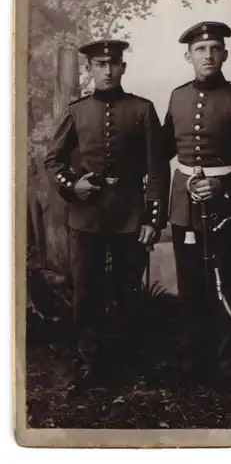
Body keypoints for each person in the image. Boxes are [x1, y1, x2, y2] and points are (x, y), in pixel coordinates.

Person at [44, 39, 170, 391]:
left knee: (127, 292)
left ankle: (127, 366)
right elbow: (53, 160)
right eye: (100, 64)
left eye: (113, 63)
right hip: (86, 217)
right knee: (87, 293)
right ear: (90, 69)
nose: (108, 70)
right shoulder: (77, 110)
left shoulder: (142, 109)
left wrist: (152, 219)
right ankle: (90, 364)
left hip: (130, 217)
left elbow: (157, 168)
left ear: (123, 67)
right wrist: (72, 186)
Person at [163, 22, 231, 385]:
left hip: (228, 207)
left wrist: (224, 183)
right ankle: (194, 367)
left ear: (224, 54)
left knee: (227, 282)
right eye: (200, 49)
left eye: (214, 48)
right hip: (184, 206)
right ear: (188, 56)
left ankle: (228, 369)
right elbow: (163, 149)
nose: (208, 55)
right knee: (190, 284)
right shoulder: (177, 97)